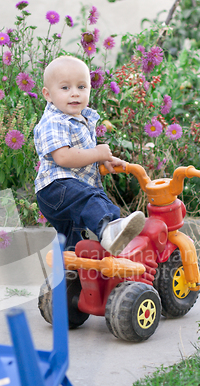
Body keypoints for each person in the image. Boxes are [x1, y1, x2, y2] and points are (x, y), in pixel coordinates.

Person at [34, 55, 145, 255]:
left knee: (73, 239)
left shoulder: (78, 117)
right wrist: (96, 152)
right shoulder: (54, 121)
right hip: (57, 188)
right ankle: (110, 230)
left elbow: (81, 151)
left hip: (70, 188)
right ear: (48, 94)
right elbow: (63, 158)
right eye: (65, 88)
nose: (75, 94)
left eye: (81, 87)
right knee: (92, 199)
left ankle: (72, 277)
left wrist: (103, 158)